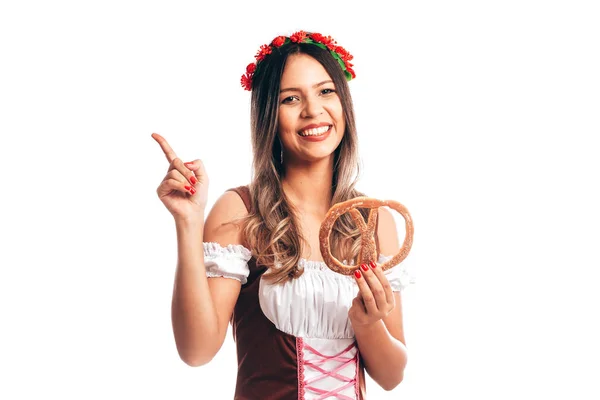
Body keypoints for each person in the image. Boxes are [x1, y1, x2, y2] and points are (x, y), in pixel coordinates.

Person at [152, 30, 413, 400]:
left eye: (326, 91)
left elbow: (391, 376)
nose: (313, 110)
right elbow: (196, 351)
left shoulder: (372, 222)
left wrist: (367, 324)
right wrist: (188, 224)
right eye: (291, 98)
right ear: (268, 116)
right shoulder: (242, 211)